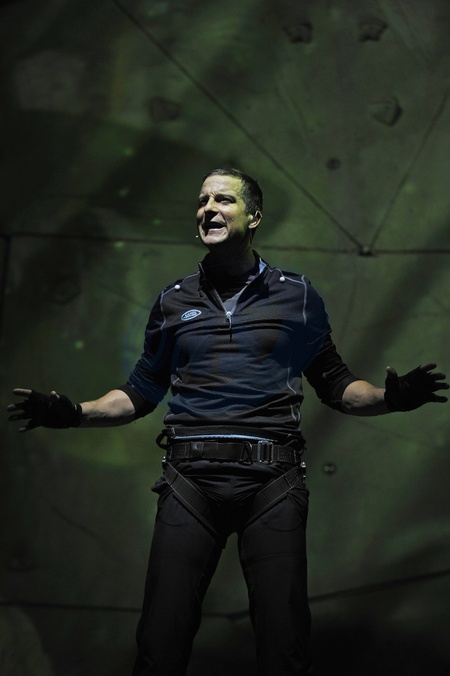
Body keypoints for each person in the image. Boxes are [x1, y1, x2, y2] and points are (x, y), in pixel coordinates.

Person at [7, 168, 448, 676]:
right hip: (190, 483)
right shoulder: (173, 300)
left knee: (284, 647)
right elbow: (139, 393)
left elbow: (337, 385)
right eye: (202, 201)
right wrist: (73, 413)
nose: (208, 209)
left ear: (254, 217)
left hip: (273, 485)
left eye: (223, 200)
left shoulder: (297, 295)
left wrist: (392, 399)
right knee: (159, 644)